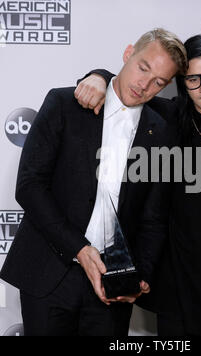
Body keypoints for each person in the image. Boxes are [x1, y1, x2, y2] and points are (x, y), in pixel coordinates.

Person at [74, 34, 201, 336]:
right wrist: (97, 77)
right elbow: (126, 87)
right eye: (193, 80)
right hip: (177, 290)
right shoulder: (168, 119)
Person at [0, 28, 188, 336]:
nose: (145, 85)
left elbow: (153, 217)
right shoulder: (65, 102)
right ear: (128, 53)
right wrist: (80, 250)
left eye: (159, 82)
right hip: (49, 271)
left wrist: (140, 275)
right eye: (143, 68)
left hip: (111, 284)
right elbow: (30, 186)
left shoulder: (163, 129)